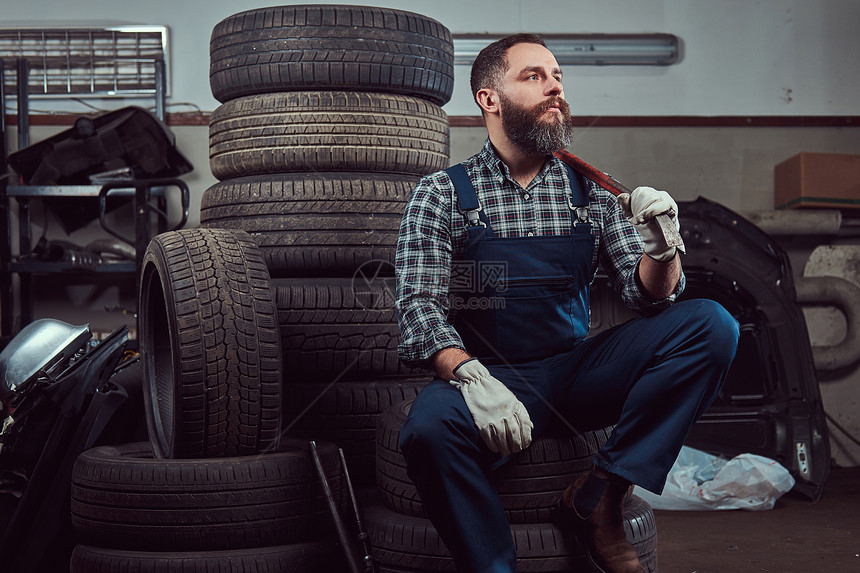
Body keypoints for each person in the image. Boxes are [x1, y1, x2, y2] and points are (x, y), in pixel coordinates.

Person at [394, 33, 740, 573]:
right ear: (489, 99)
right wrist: (469, 377)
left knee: (711, 325)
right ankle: (492, 565)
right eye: (534, 76)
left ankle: (602, 494)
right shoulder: (444, 193)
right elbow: (419, 307)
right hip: (491, 374)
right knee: (427, 428)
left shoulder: (593, 194)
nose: (554, 87)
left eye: (557, 76)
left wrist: (662, 247)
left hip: (576, 373)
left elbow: (649, 297)